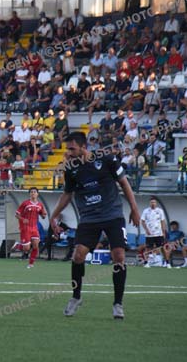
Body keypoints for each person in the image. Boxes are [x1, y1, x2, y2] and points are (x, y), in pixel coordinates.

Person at [49, 132, 141, 319]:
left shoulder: (107, 160)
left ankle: (118, 304)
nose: (68, 152)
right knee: (78, 255)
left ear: (83, 147)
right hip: (89, 218)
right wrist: (54, 215)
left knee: (119, 255)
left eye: (72, 148)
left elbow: (124, 183)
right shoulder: (71, 169)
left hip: (113, 215)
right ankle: (76, 297)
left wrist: (134, 208)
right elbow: (67, 194)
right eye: (67, 149)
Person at [15, 188, 47, 269]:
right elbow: (17, 215)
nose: (33, 193)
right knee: (27, 248)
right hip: (26, 228)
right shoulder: (25, 203)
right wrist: (23, 219)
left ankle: (31, 264)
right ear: (29, 194)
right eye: (31, 192)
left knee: (36, 246)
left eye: (34, 192)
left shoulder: (40, 205)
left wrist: (43, 215)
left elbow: (43, 215)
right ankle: (18, 245)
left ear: (37, 194)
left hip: (34, 228)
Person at [139, 197, 168, 268]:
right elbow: (142, 221)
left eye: (154, 202)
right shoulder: (146, 211)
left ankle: (167, 263)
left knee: (162, 248)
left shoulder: (160, 211)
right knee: (148, 248)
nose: (153, 203)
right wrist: (146, 230)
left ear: (156, 203)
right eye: (151, 202)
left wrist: (163, 232)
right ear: (149, 203)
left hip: (159, 233)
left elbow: (162, 221)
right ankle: (146, 263)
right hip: (149, 234)